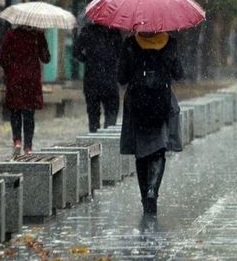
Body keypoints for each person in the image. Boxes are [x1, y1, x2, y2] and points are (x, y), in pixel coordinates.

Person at [118, 31, 183, 216]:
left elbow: (121, 77)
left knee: (141, 153)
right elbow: (179, 74)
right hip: (161, 103)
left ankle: (145, 199)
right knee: (159, 149)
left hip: (137, 104)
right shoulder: (170, 43)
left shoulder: (130, 43)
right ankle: (152, 190)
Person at [0, 25, 50, 155]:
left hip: (15, 78)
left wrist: (10, 69)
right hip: (31, 80)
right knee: (29, 114)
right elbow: (46, 58)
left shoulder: (10, 34)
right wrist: (42, 43)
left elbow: (2, 57)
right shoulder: (37, 35)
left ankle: (17, 141)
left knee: (15, 110)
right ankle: (28, 147)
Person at [73, 22, 122, 133]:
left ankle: (94, 140)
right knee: (111, 112)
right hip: (110, 78)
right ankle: (107, 140)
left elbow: (76, 52)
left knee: (93, 114)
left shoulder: (87, 30)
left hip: (92, 78)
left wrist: (87, 59)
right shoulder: (114, 31)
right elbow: (121, 53)